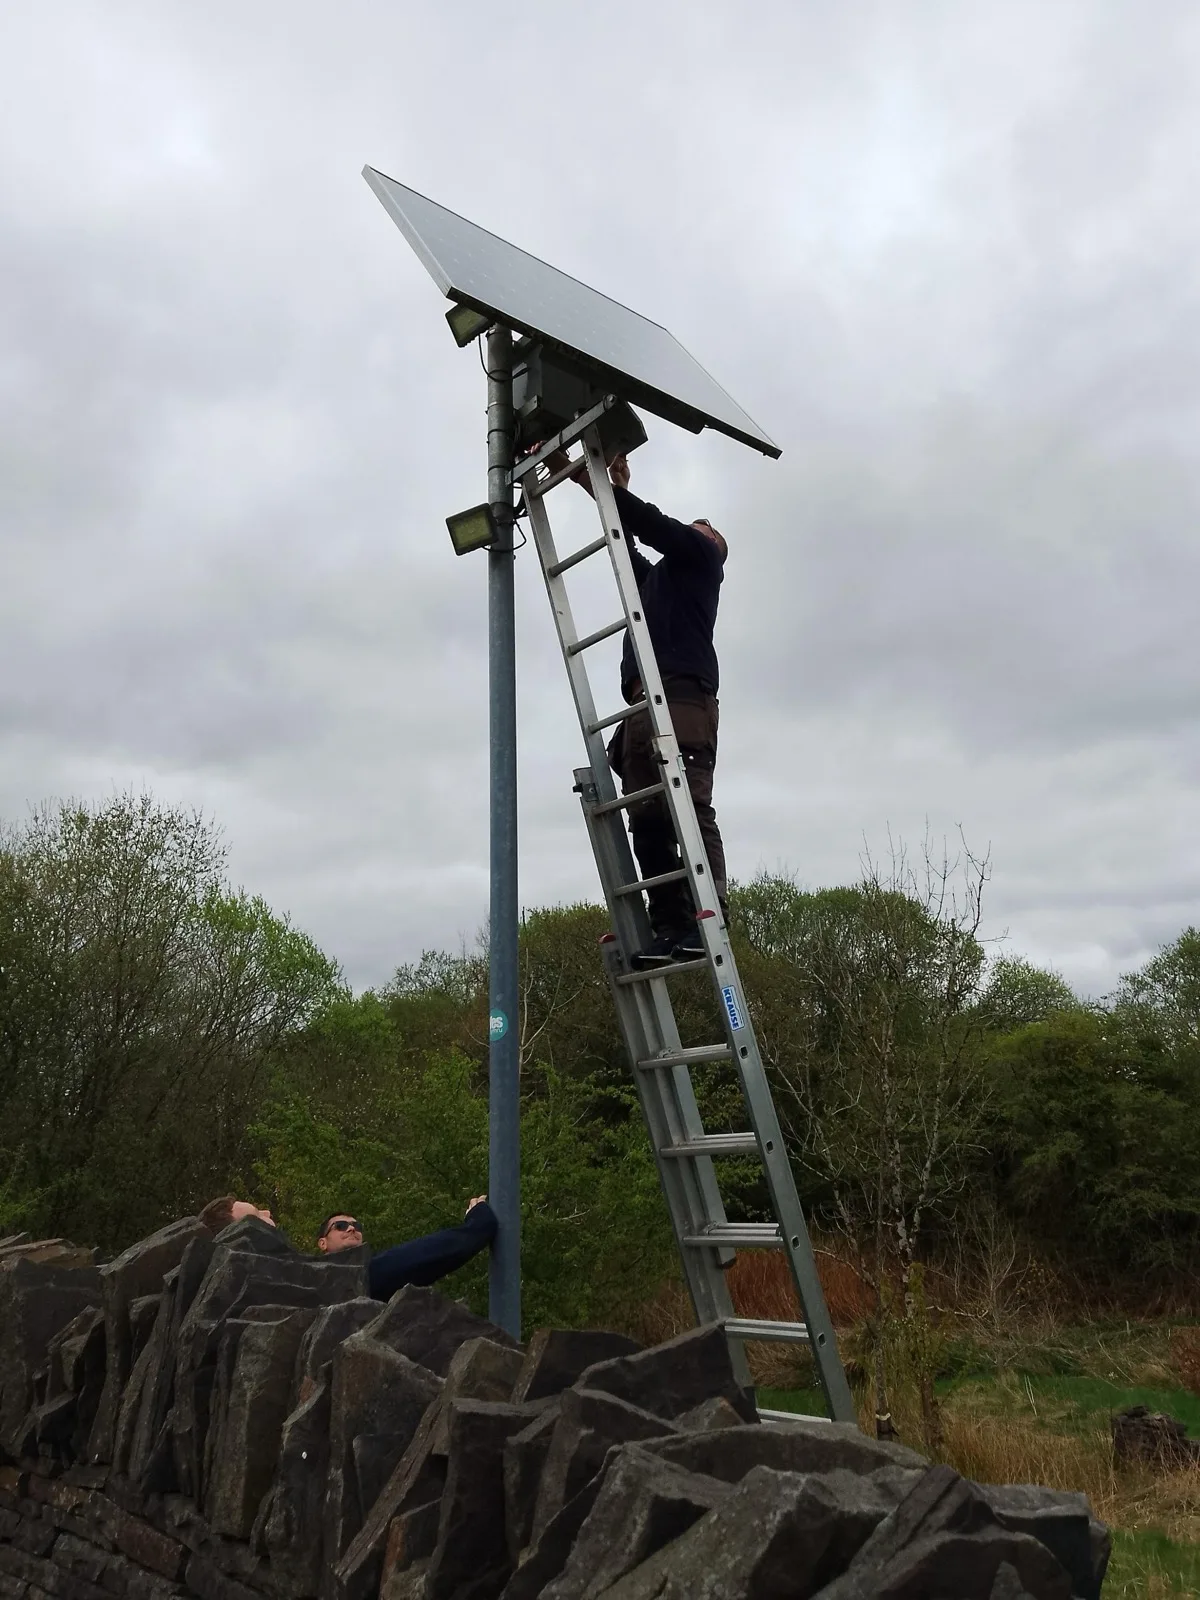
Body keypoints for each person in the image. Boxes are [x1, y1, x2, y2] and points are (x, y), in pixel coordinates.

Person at [545, 447, 729, 967]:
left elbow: (653, 525)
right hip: (642, 704)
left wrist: (606, 485)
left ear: (712, 546)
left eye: (701, 528)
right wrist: (604, 488)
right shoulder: (658, 580)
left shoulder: (701, 560)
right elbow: (624, 543)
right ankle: (667, 925)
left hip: (682, 697)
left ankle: (710, 916)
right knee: (646, 818)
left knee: (688, 806)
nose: (693, 531)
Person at [316, 1195, 497, 1301]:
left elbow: (430, 1255)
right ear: (322, 1242)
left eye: (357, 1226)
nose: (351, 1228)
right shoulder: (367, 1274)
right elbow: (433, 1252)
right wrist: (479, 1224)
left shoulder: (372, 1271)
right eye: (340, 1226)